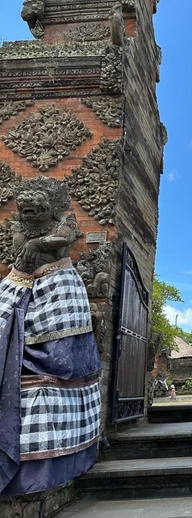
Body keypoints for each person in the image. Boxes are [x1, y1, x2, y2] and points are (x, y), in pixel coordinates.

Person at [0, 177, 101, 496]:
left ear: (53, 207)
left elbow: (63, 239)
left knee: (62, 358)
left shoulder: (65, 222)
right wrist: (32, 246)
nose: (30, 214)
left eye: (38, 208)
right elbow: (21, 256)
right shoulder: (19, 230)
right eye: (26, 209)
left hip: (60, 292)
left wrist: (36, 245)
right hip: (21, 289)